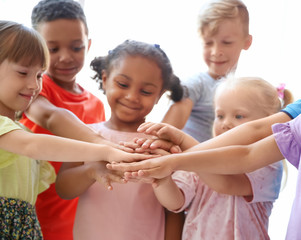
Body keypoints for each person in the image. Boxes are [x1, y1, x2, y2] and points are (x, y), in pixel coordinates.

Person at [109, 0, 301, 238]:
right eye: (219, 115)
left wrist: (179, 154)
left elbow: (233, 173)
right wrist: (165, 172)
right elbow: (178, 199)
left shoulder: (267, 169)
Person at [0, 20, 150, 239]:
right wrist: (105, 150)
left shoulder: (23, 131)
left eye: (39, 75)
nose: (34, 85)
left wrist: (97, 166)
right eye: (23, 73)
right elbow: (33, 145)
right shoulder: (20, 137)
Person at [122, 76, 293, 239]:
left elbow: (225, 184)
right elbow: (175, 202)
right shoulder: (199, 156)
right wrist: (163, 180)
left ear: (266, 123)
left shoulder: (268, 165)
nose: (225, 123)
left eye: (238, 116)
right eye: (220, 116)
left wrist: (183, 141)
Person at [55, 40, 185, 240]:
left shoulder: (161, 144)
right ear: (105, 79)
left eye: (146, 91)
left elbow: (174, 210)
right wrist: (92, 170)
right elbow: (63, 189)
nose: (132, 96)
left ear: (159, 95)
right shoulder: (86, 135)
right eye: (123, 84)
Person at [19, 1, 108, 239]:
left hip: (75, 226)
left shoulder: (97, 105)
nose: (66, 57)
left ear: (88, 45)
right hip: (29, 223)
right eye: (53, 49)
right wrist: (103, 144)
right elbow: (49, 115)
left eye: (76, 47)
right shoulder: (32, 88)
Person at [162, 0, 252, 142]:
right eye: (208, 43)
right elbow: (164, 132)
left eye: (227, 42)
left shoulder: (243, 91)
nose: (216, 52)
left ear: (247, 42)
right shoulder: (196, 85)